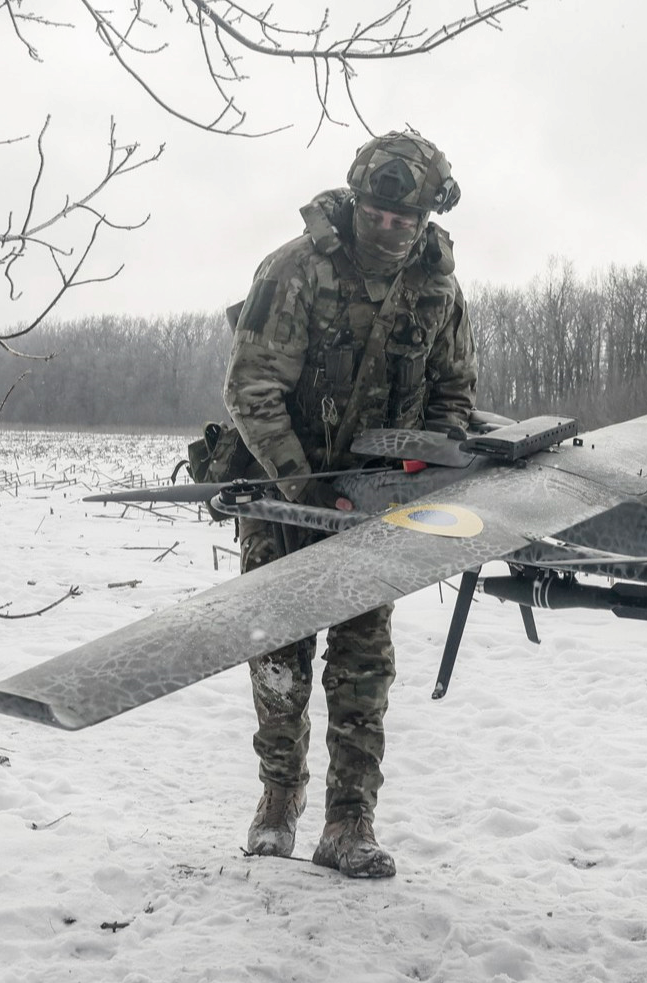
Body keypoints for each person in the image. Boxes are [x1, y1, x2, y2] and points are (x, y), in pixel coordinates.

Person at [223, 130, 475, 878]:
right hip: (285, 495)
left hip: (376, 504)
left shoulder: (438, 288)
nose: (390, 228)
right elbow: (251, 390)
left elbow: (454, 393)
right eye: (377, 212)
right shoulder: (296, 270)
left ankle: (349, 821)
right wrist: (304, 489)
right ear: (358, 200)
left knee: (363, 663)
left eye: (407, 219)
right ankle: (277, 801)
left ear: (428, 216)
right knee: (279, 653)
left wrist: (422, 464)